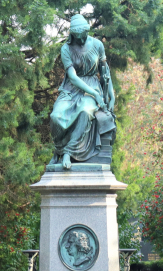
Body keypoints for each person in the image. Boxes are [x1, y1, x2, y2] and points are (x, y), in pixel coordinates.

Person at [49, 14, 116, 169]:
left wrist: (111, 94)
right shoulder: (66, 48)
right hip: (72, 89)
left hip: (91, 85)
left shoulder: (98, 45)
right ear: (72, 35)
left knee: (85, 111)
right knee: (56, 116)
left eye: (83, 36)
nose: (80, 40)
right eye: (77, 37)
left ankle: (68, 152)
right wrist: (95, 95)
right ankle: (57, 150)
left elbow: (104, 71)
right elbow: (72, 77)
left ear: (87, 31)